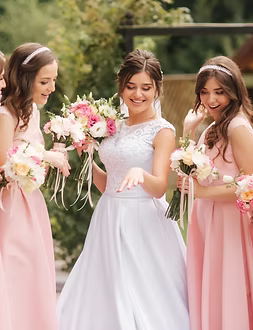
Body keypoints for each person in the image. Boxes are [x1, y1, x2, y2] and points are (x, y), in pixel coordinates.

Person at [57, 49, 190, 330]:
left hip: (143, 222)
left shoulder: (162, 131)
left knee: (144, 294)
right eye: (131, 86)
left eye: (146, 87)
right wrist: (87, 161)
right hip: (108, 215)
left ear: (157, 89)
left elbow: (157, 188)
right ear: (121, 86)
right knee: (108, 287)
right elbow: (109, 183)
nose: (137, 94)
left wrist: (140, 174)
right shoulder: (112, 125)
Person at [180, 56, 253, 330]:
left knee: (230, 286)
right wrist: (188, 130)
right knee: (211, 284)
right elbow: (188, 173)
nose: (211, 99)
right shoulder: (211, 128)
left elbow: (250, 183)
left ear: (233, 92)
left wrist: (201, 192)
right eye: (205, 91)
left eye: (219, 92)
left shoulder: (237, 127)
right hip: (207, 221)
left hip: (229, 223)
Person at [0, 43, 70, 330]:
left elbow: (30, 157)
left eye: (54, 80)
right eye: (44, 81)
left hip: (30, 203)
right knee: (16, 267)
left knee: (34, 271)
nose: (51, 88)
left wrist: (56, 152)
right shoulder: (5, 115)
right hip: (10, 206)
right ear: (25, 78)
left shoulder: (32, 111)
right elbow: (3, 166)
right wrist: (44, 156)